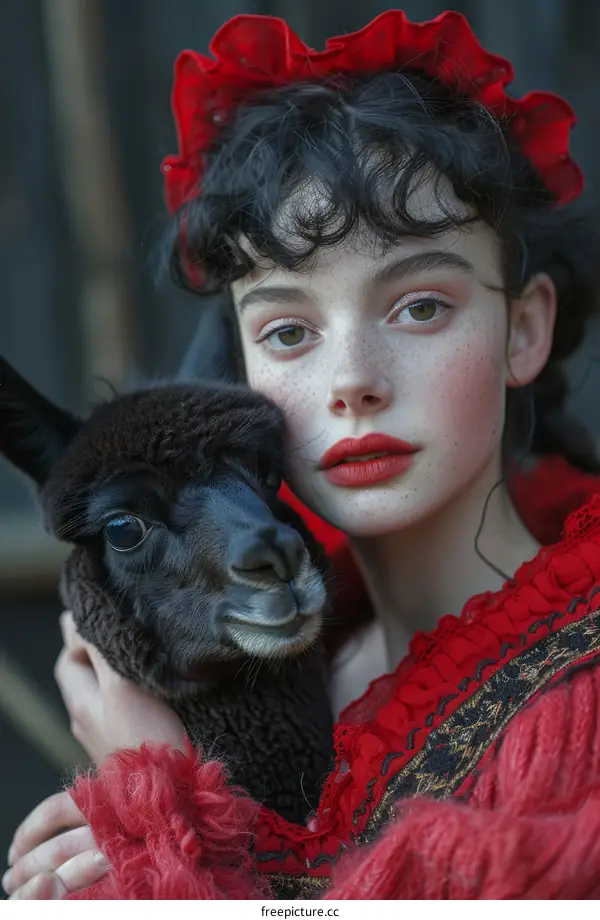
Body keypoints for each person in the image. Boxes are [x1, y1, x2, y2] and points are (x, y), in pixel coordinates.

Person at [6, 7, 600, 899]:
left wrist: (167, 806)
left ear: (522, 331)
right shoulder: (281, 668)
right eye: (288, 331)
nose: (352, 380)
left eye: (421, 307)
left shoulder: (576, 707)